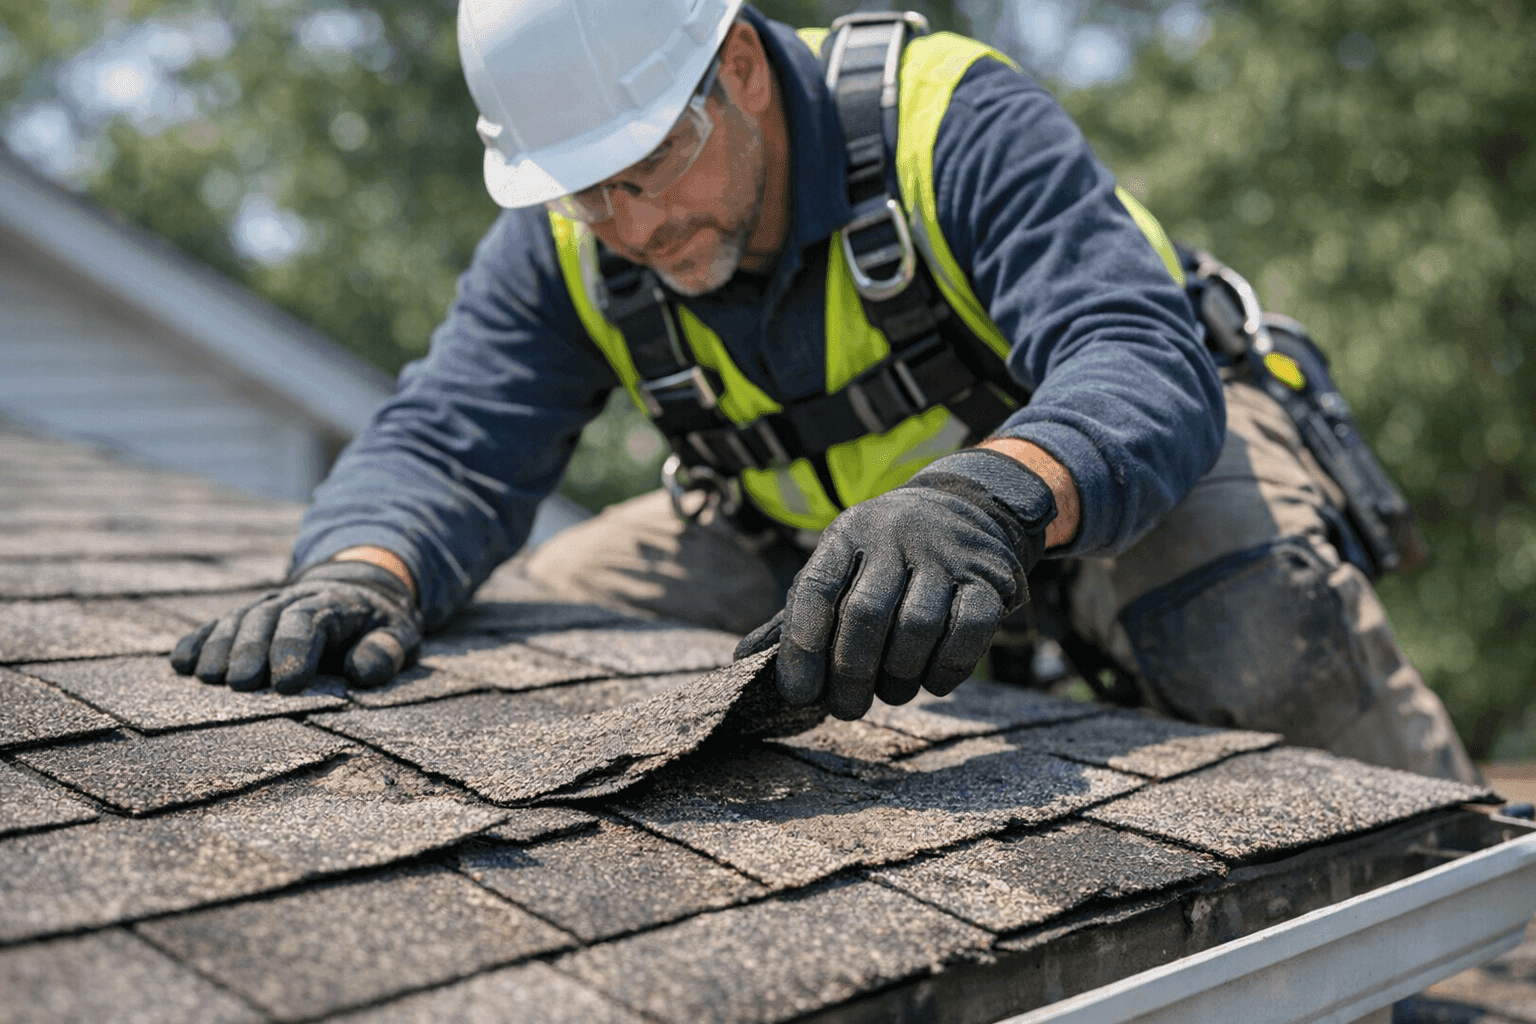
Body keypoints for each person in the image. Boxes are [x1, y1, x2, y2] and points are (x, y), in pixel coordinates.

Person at [171, 1, 1478, 784]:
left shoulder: (948, 119)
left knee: (1239, 617)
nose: (623, 224)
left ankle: (1434, 915)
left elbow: (1134, 356)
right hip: (812, 538)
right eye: (584, 190)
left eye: (642, 168)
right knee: (530, 637)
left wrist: (990, 498)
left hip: (1090, 479)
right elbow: (452, 444)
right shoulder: (568, 240)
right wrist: (362, 570)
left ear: (738, 66)